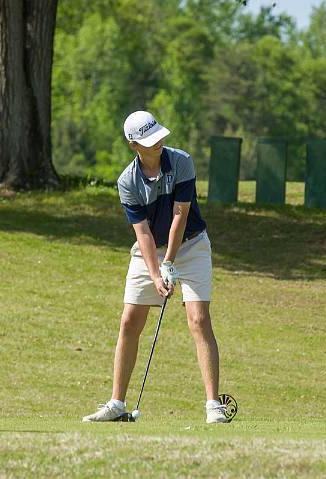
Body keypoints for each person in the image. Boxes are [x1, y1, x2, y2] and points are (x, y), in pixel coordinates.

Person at [82, 111, 227, 424]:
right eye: (150, 140)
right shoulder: (127, 182)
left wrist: (170, 263)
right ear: (134, 145)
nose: (159, 142)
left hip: (190, 246)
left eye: (159, 136)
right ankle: (117, 403)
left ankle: (213, 405)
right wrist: (155, 272)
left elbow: (180, 216)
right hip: (149, 252)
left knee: (198, 319)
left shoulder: (181, 162)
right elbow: (143, 233)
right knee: (129, 320)